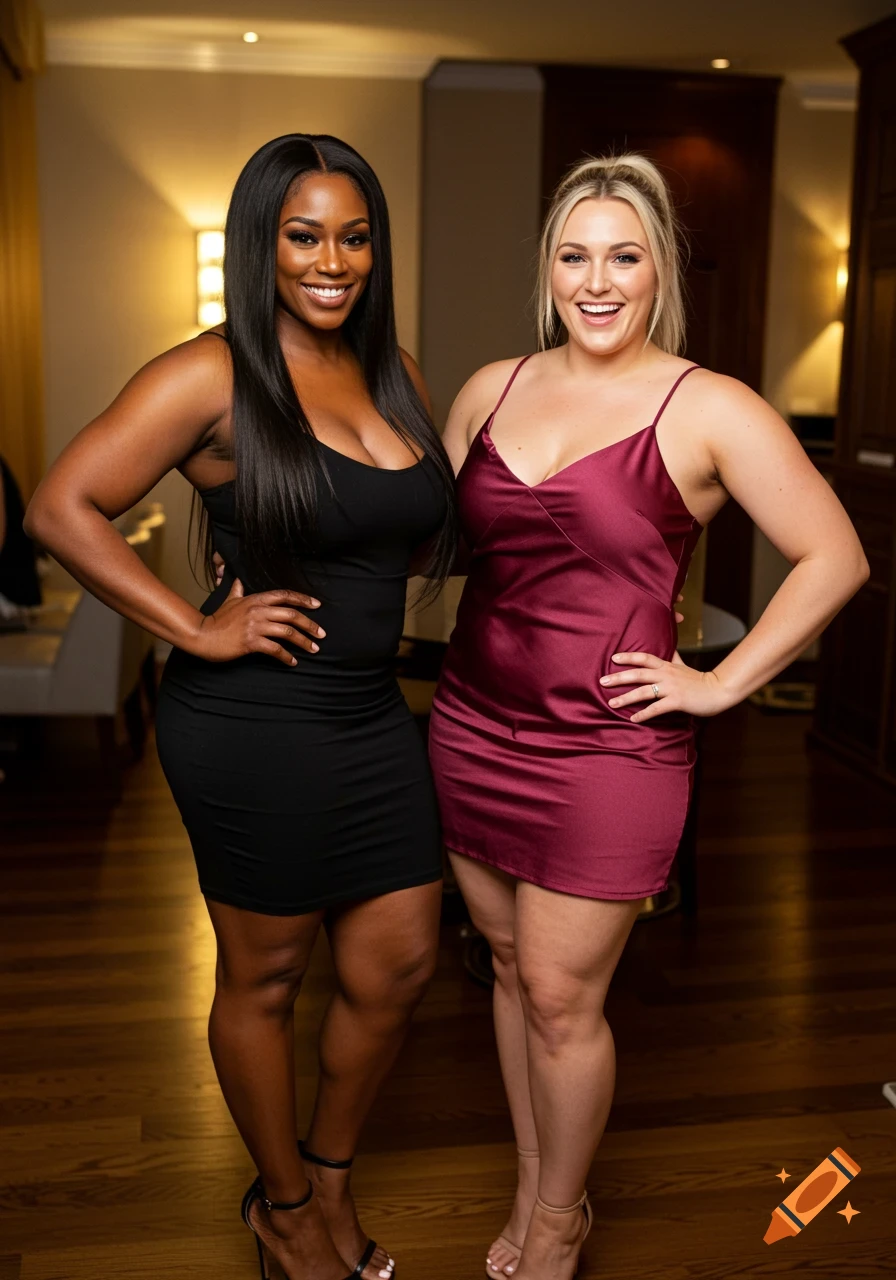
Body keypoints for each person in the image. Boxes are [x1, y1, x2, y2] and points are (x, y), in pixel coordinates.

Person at [427, 153, 868, 1280]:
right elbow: (429, 540)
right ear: (548, 268)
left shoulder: (707, 404)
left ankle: (561, 1218)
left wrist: (721, 682)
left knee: (565, 993)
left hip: (608, 745)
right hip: (471, 721)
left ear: (657, 268)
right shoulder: (490, 386)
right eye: (574, 256)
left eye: (622, 255)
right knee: (510, 967)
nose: (596, 280)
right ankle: (531, 1187)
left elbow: (835, 556)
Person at [25, 133, 456, 1280]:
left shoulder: (393, 368)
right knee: (263, 976)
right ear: (260, 243)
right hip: (253, 725)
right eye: (303, 235)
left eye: (354, 235)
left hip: (368, 713)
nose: (332, 260)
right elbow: (61, 506)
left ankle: (327, 1177)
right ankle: (281, 1207)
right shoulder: (209, 374)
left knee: (400, 958)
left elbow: (415, 529)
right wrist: (197, 623)